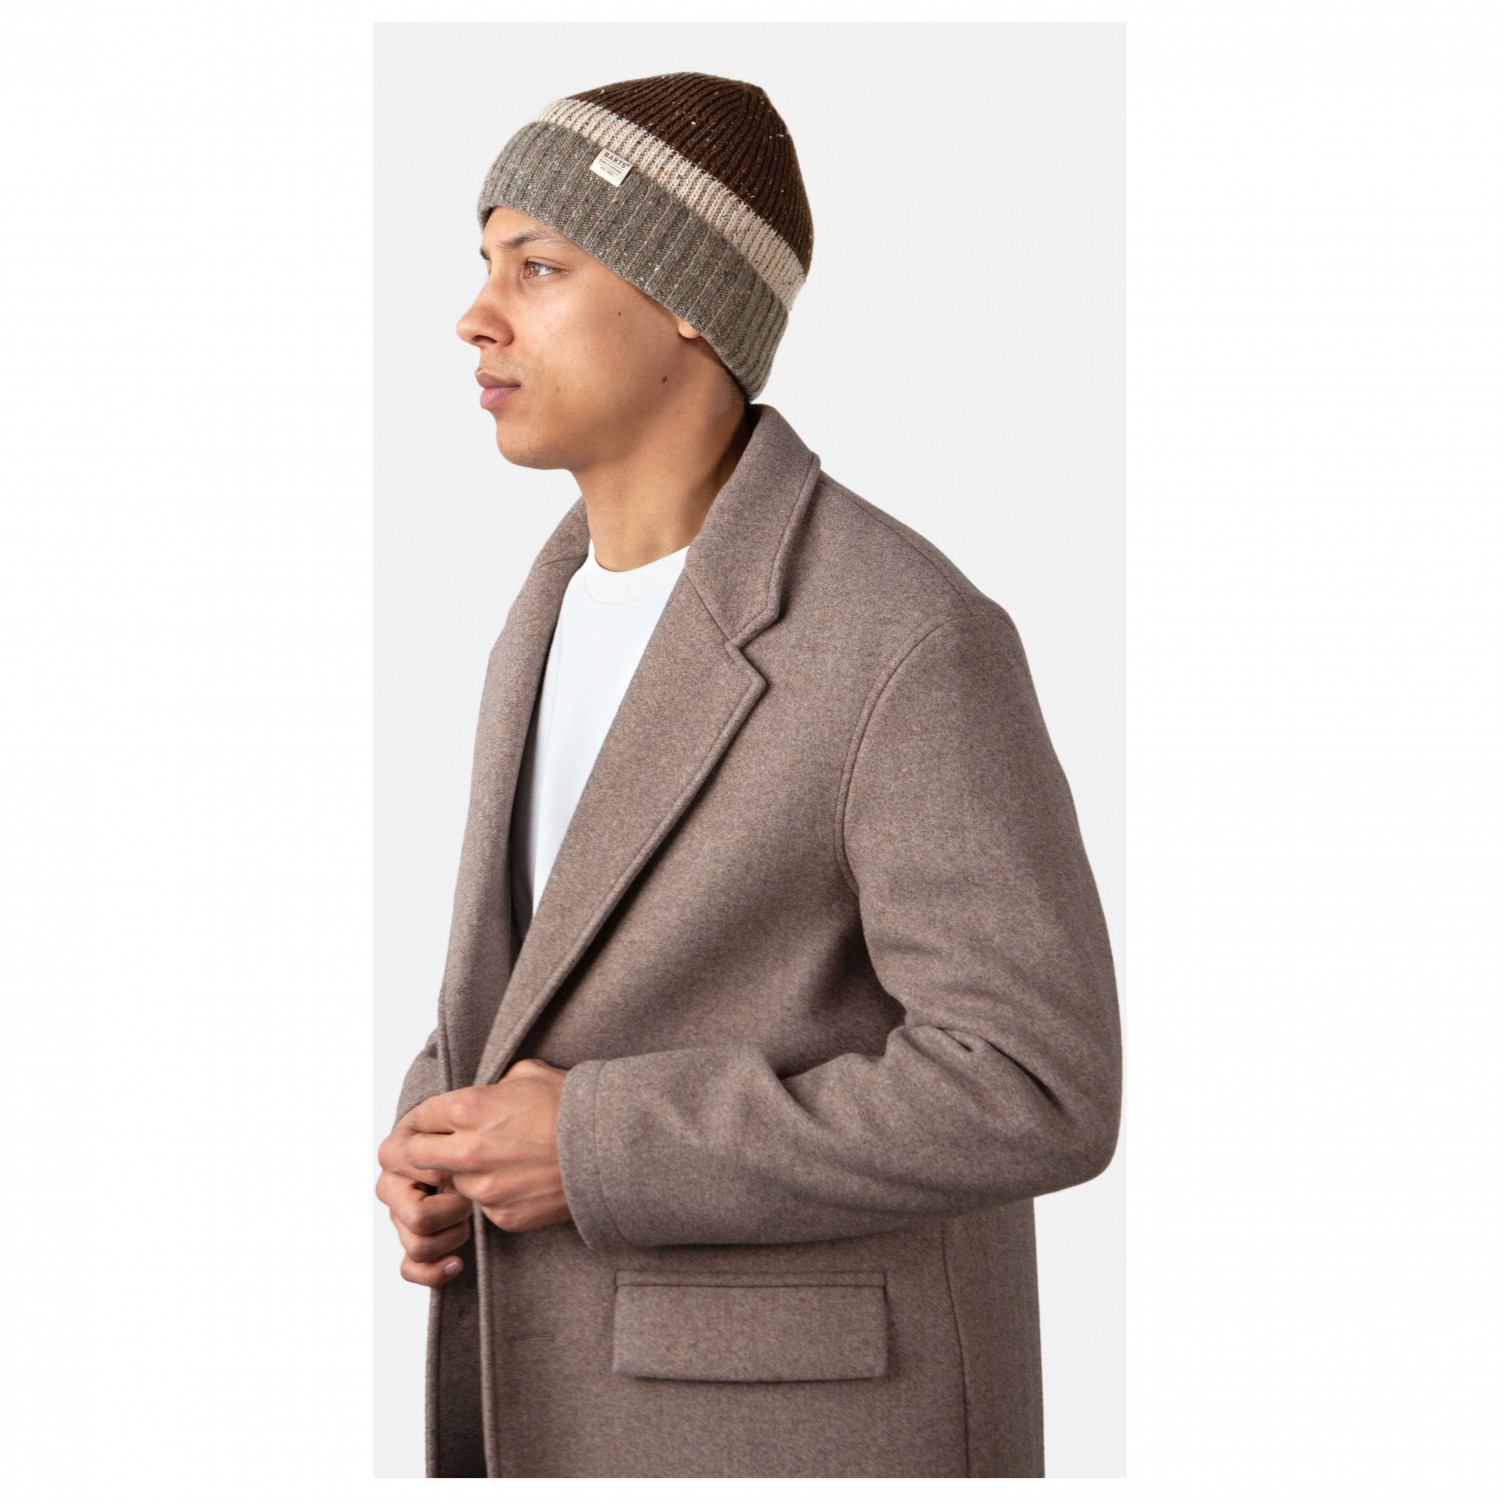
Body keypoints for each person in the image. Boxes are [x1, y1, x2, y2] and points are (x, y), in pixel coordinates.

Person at [376, 71, 1121, 1479]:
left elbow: (1036, 1081)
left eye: (539, 267)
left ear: (689, 301)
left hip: (805, 1430)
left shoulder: (905, 636)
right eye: (483, 265)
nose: (477, 315)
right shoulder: (544, 610)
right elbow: (561, 968)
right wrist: (444, 1122)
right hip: (564, 1398)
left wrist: (593, 1147)